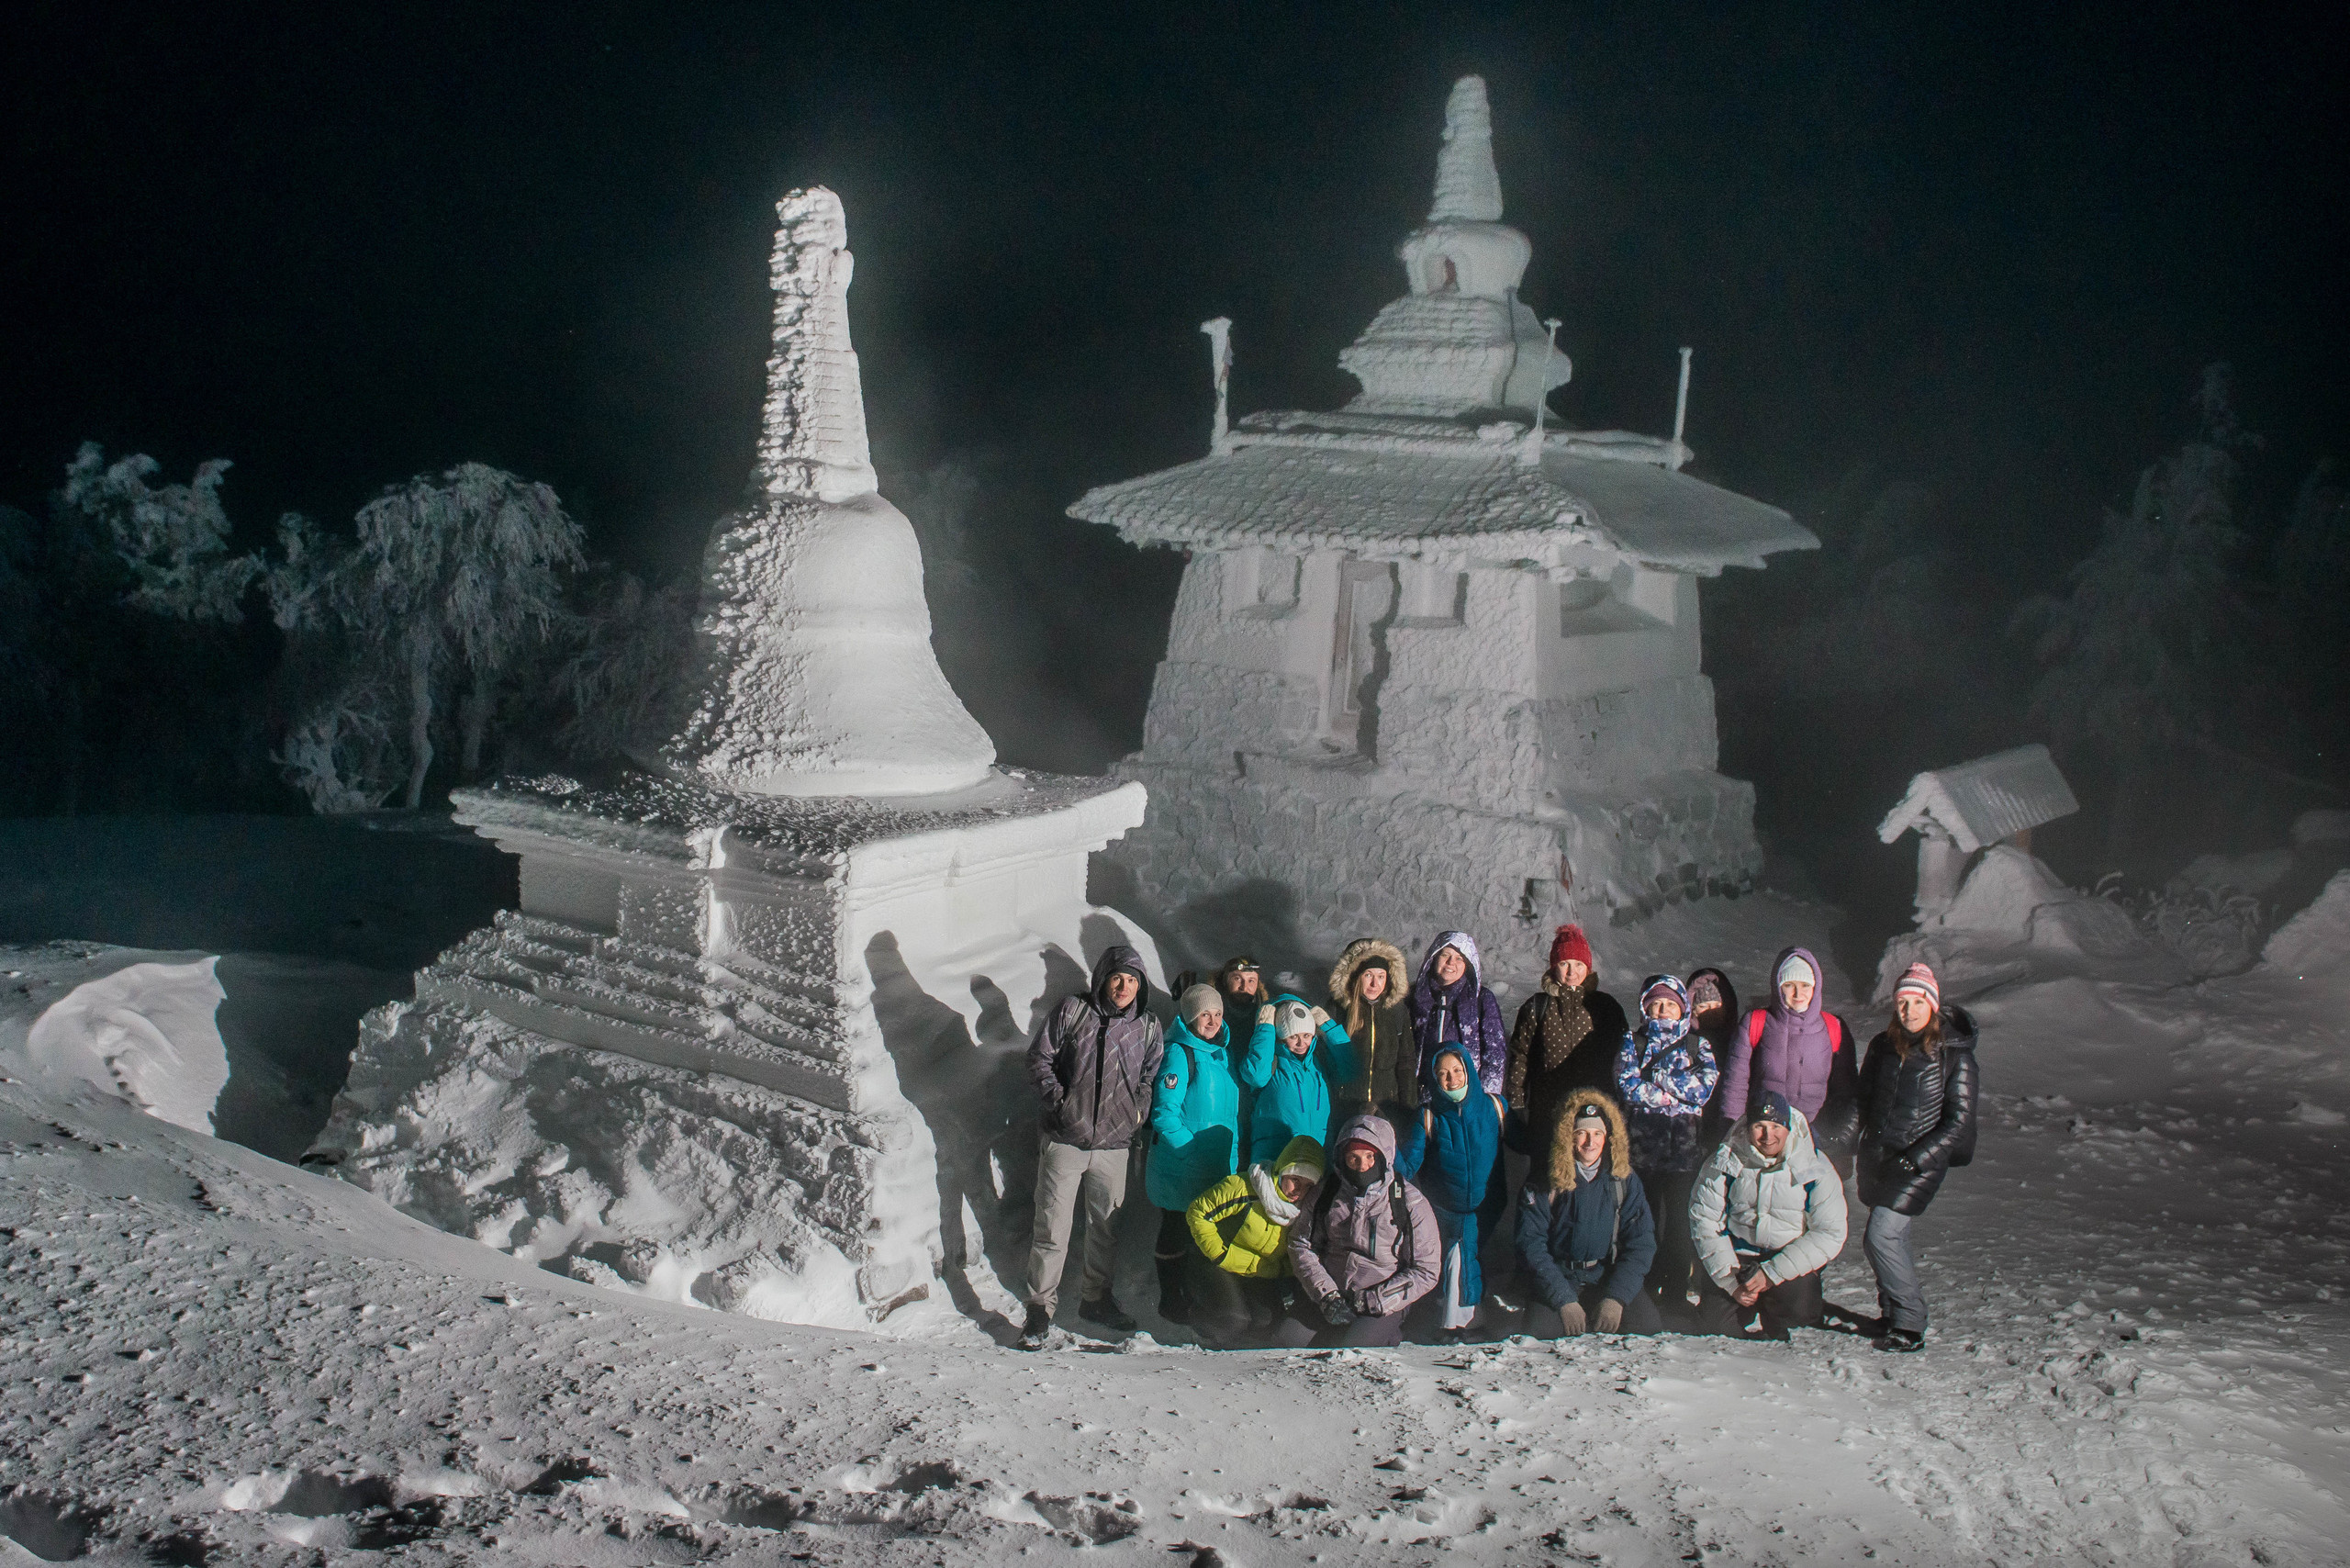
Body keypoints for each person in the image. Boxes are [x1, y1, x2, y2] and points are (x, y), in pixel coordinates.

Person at [1830, 963, 1980, 1353]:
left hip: (1919, 1162)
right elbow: (1863, 1102)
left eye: (1917, 1002)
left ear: (1932, 1005)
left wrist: (1917, 1159)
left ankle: (1910, 1323)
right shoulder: (1883, 1046)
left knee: (1882, 1235)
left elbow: (1958, 1122)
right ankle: (1893, 1315)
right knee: (1883, 1239)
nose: (1909, 1011)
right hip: (1879, 1157)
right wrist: (1838, 1143)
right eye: (1902, 1002)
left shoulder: (1955, 1056)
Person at [1019, 946, 1164, 1350]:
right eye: (1117, 978)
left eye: (1132, 980)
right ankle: (1038, 1309)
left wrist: (1137, 1112)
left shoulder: (1148, 1026)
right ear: (1103, 978)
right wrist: (1061, 1104)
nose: (1124, 987)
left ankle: (1095, 1300)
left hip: (1116, 1145)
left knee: (1105, 1229)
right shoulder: (1073, 1012)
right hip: (1066, 1139)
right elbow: (1039, 1060)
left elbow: (1150, 1076)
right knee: (1052, 1227)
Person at [1689, 1091, 1848, 1339]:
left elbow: (1830, 1232)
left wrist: (1772, 1274)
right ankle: (1747, 1305)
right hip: (1738, 1259)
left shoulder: (1814, 1166)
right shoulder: (1725, 1160)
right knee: (1715, 1326)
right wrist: (1731, 1283)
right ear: (1747, 1126)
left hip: (1787, 1258)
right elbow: (1704, 1220)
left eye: (1776, 1127)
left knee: (1799, 1324)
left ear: (1788, 1128)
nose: (1767, 1136)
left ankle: (1783, 1306)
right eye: (1759, 1126)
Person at [1276, 1114, 1440, 1347]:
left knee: (1351, 1350)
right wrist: (1326, 1295)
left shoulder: (1408, 1202)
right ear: (1342, 1159)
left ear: (1383, 1157)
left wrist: (1376, 1299)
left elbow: (1426, 1269)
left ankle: (1385, 1333)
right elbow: (1301, 1244)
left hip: (1380, 1300)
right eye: (1353, 1158)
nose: (1362, 1166)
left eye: (1369, 1157)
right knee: (1284, 1343)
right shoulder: (1326, 1193)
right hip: (1331, 1293)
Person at [1514, 1092, 1661, 1336]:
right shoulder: (1545, 1180)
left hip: (1604, 1275)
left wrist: (1616, 1298)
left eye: (1597, 1134)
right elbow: (1530, 1244)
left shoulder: (1622, 1179)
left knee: (1647, 1327)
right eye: (1581, 1133)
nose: (1589, 1142)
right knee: (1539, 1333)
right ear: (1568, 1138)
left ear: (1607, 1138)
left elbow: (1642, 1243)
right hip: (1560, 1276)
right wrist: (1563, 1299)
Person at [1615, 974, 1719, 1315]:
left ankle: (1675, 1292)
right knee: (1642, 1224)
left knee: (1678, 1227)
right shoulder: (1633, 1041)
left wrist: (1657, 1079)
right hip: (1641, 1153)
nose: (1662, 1011)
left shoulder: (1696, 1044)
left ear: (1682, 1009)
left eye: (1670, 1005)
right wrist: (1676, 1092)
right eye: (1655, 1004)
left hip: (1683, 1155)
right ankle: (1639, 1288)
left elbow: (1703, 1090)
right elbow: (1627, 1085)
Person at [1147, 982, 1244, 1327]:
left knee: (1204, 1233)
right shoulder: (1179, 1053)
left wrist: (1228, 1161)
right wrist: (1190, 1153)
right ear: (1189, 1016)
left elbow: (1228, 1116)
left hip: (1213, 1167)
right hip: (1182, 1166)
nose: (1213, 1020)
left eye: (1217, 1013)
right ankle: (1172, 1300)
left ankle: (1205, 1300)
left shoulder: (1219, 1054)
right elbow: (1164, 1114)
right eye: (1205, 1014)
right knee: (1176, 1229)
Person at [1394, 1043, 1505, 1341]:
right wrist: (1383, 1142)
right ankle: (1455, 1324)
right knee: (1455, 1260)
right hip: (1444, 1208)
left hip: (1486, 1207)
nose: (1452, 1079)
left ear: (1469, 1070)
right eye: (1443, 1074)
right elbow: (1408, 1164)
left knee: (1467, 1259)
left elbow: (1526, 1142)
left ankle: (1466, 1321)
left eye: (1457, 1070)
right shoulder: (1430, 1117)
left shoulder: (1495, 1107)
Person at [1715, 946, 1859, 1174]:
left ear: (1816, 987)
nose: (1797, 994)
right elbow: (1735, 1085)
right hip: (1765, 1138)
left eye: (1805, 986)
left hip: (1815, 1140)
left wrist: (1837, 1137)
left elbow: (1846, 1092)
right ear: (1777, 987)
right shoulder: (1756, 1022)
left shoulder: (1833, 1028)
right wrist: (1733, 1133)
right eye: (1789, 985)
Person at [1183, 1136, 1324, 1349]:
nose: (1299, 1191)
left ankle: (1238, 1355)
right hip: (1215, 1261)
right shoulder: (1248, 1187)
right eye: (1295, 1179)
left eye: (1308, 1185)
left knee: (1268, 1321)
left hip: (1256, 1272)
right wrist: (1219, 1252)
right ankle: (1199, 1327)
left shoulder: (1305, 1210)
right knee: (1234, 1318)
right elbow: (1198, 1212)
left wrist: (1279, 1270)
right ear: (1282, 1170)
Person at [1505, 925, 1629, 1162]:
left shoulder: (1606, 1007)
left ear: (1588, 968)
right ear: (1554, 967)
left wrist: (1621, 1103)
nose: (1572, 972)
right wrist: (1517, 1101)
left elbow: (1623, 1056)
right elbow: (1520, 1055)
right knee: (1547, 1176)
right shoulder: (1536, 1007)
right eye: (1565, 964)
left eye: (1579, 964)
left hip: (1594, 1110)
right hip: (1547, 1111)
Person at [1238, 993, 1359, 1167]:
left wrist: (1330, 1028)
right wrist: (1265, 1028)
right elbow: (1255, 1076)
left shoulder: (1318, 1063)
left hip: (1316, 1157)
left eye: (1307, 1035)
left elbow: (1350, 1069)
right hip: (1275, 1158)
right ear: (1280, 1036)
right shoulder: (1271, 1061)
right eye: (1293, 1036)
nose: (1301, 1043)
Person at [1328, 937, 1415, 1130]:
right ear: (1355, 975)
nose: (1375, 983)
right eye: (1368, 975)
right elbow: (1327, 1063)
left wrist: (1408, 1109)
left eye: (1381, 976)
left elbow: (1406, 1063)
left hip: (1387, 1108)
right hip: (1346, 1107)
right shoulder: (1338, 1010)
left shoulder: (1397, 1011)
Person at [1409, 931, 1508, 1096]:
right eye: (1445, 955)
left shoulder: (1481, 999)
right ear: (1433, 958)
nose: (1450, 963)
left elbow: (1495, 1052)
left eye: (1459, 958)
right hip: (1424, 1096)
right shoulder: (1415, 997)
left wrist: (1487, 1097)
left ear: (1468, 964)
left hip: (1466, 1096)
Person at [1685, 967, 1741, 1143]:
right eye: (1703, 1006)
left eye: (1716, 1006)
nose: (1711, 1012)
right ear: (1693, 1010)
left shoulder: (1737, 1039)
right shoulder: (1687, 1042)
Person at [1217, 956, 1265, 1021]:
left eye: (1251, 981)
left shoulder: (1269, 1016)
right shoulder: (1205, 1010)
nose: (1244, 987)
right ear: (1225, 981)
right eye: (1237, 979)